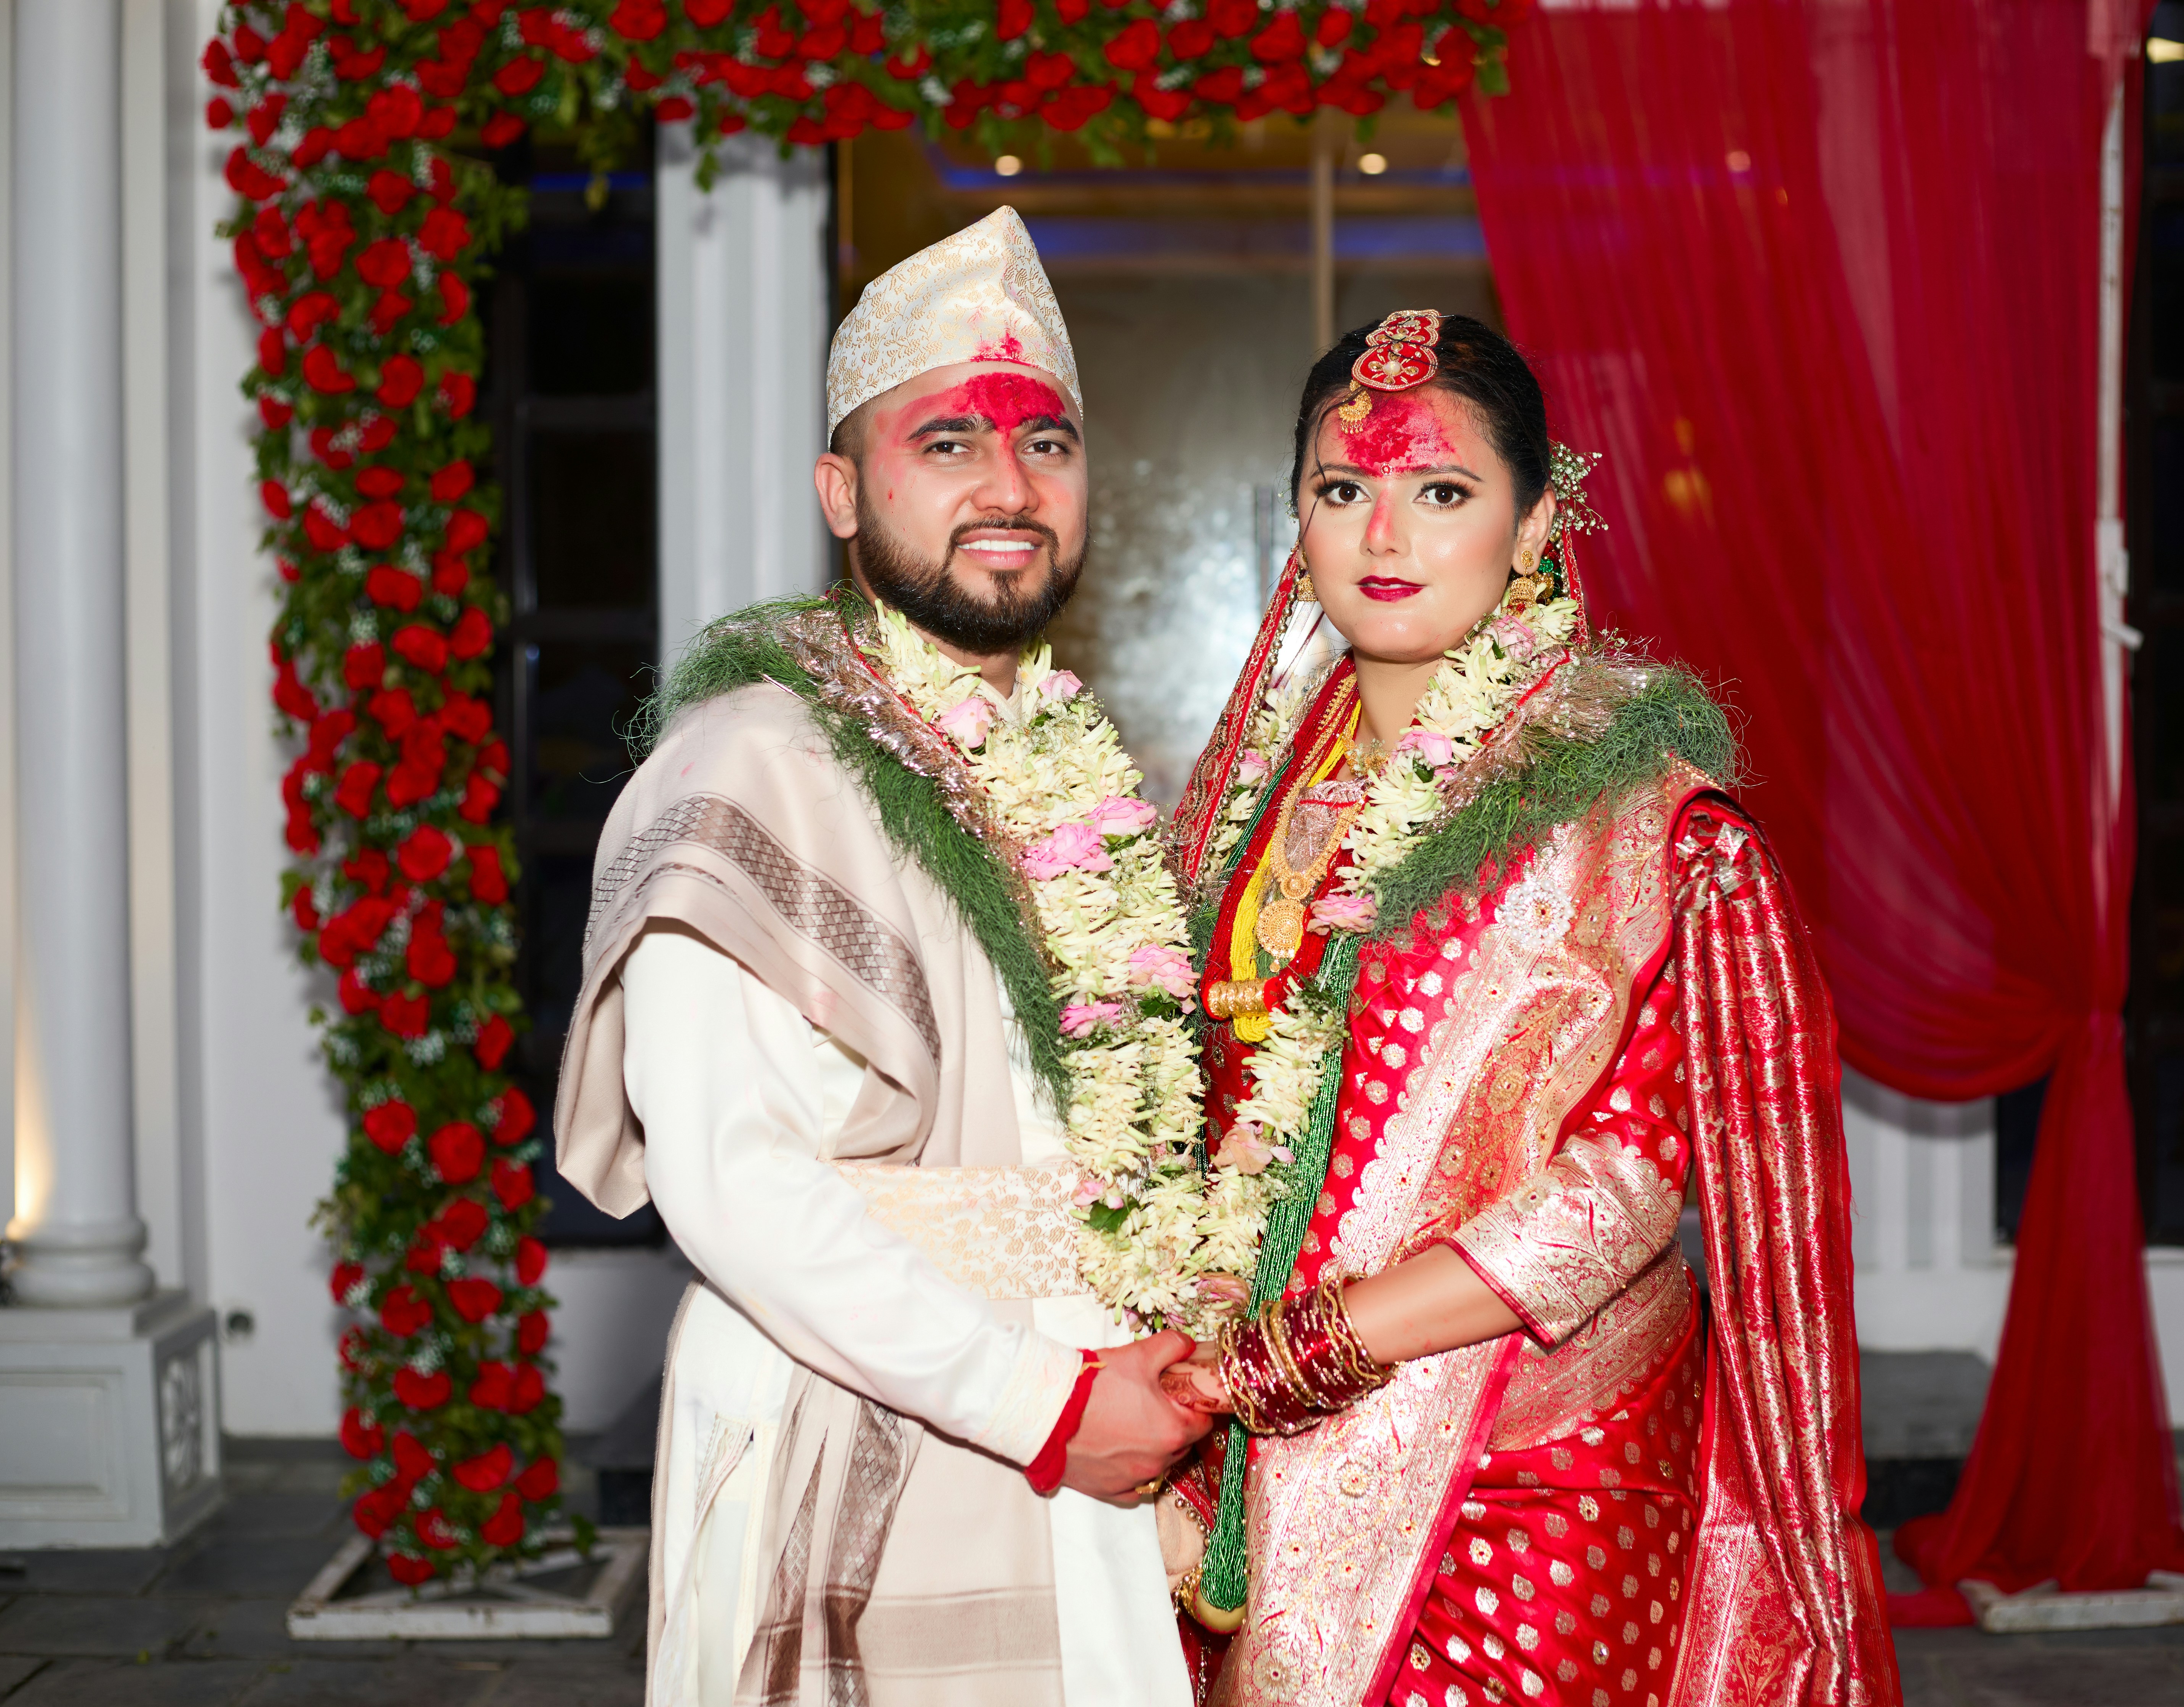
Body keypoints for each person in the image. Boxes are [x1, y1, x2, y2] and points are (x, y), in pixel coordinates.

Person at [1158, 312, 1900, 1707]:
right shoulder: (1259, 800)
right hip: (1255, 1451)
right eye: (1342, 490)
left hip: (1532, 1455)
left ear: (1537, 518)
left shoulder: (1622, 805)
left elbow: (1624, 1185)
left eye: (1442, 492)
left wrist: (1310, 1350)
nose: (1386, 534)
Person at [554, 207, 1216, 1707]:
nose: (1010, 486)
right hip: (853, 1424)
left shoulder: (1063, 769)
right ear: (841, 494)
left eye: (1047, 443)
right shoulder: (750, 768)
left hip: (1083, 1437)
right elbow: (737, 1183)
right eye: (949, 446)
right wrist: (1045, 1405)